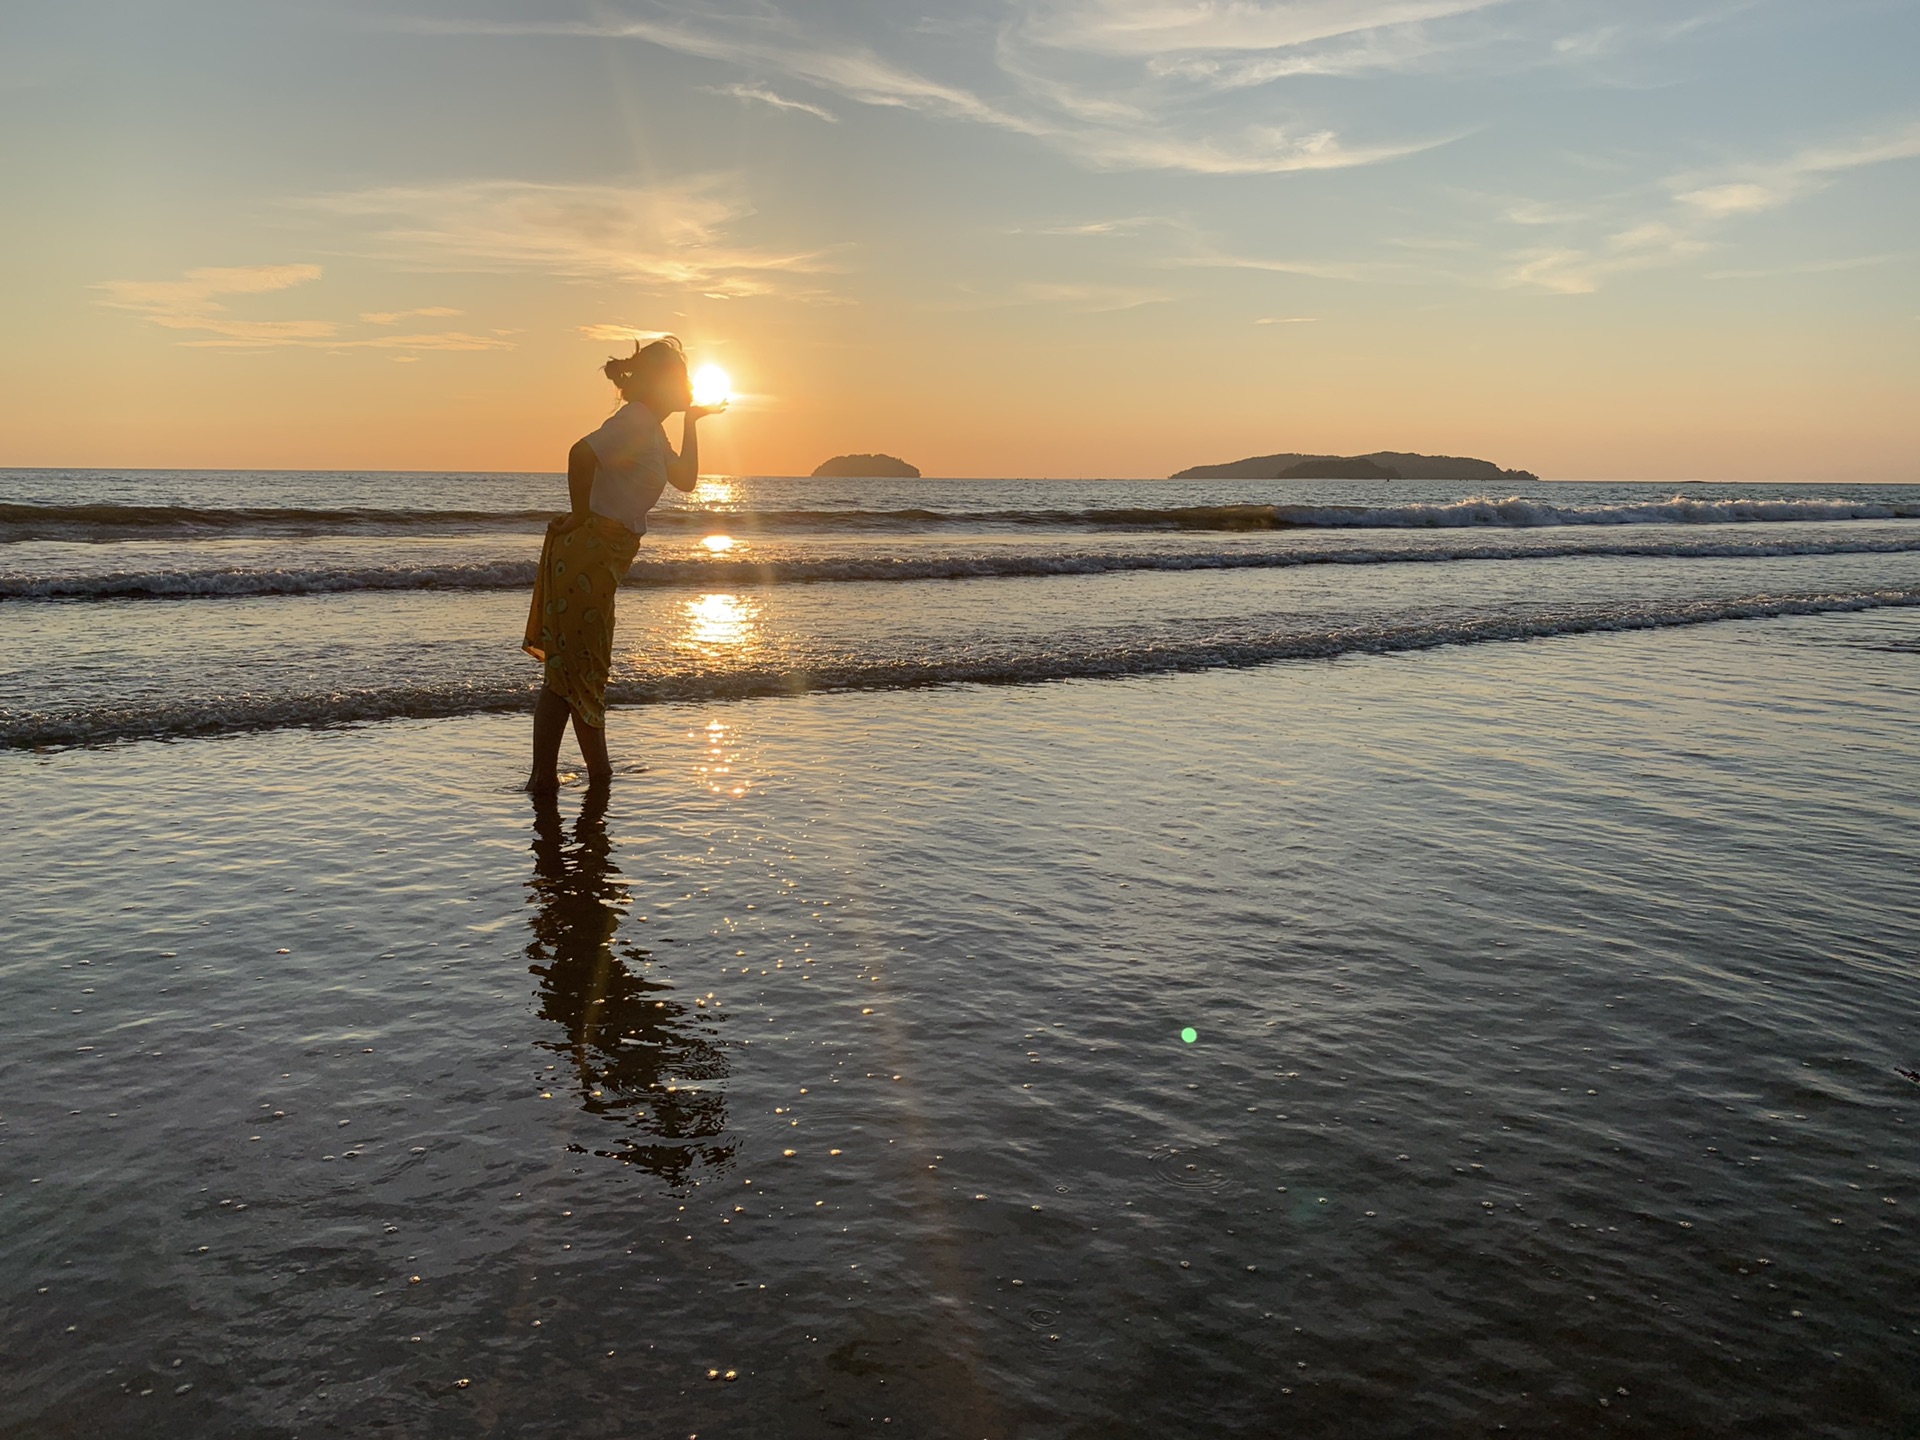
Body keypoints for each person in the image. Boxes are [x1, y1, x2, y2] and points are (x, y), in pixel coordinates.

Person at [524, 336, 723, 792]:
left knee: (569, 671)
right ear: (661, 384)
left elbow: (687, 480)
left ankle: (545, 779)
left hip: (598, 563)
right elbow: (581, 452)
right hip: (585, 558)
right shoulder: (634, 420)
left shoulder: (651, 427)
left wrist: (693, 421)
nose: (690, 387)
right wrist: (579, 514)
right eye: (684, 380)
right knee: (585, 668)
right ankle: (597, 775)